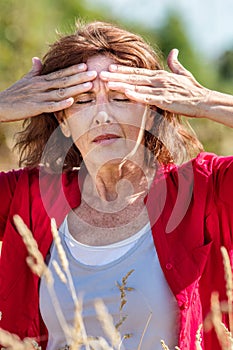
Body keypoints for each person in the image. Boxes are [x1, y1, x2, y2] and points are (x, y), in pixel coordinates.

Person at [0, 20, 233, 350]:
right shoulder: (27, 199)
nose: (102, 115)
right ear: (62, 122)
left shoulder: (202, 192)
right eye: (82, 100)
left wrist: (207, 102)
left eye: (120, 97)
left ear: (152, 113)